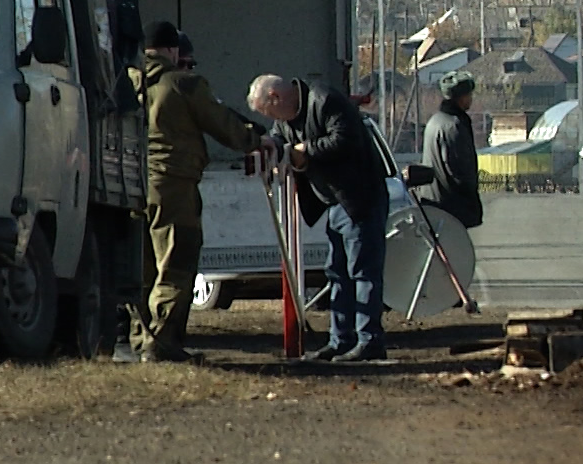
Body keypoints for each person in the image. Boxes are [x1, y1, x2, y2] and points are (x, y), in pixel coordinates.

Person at [130, 20, 269, 362]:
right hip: (173, 183)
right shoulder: (182, 84)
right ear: (171, 50)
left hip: (130, 184)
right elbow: (221, 123)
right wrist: (255, 139)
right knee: (175, 263)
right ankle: (163, 344)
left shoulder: (125, 82)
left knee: (140, 268)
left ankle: (139, 339)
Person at [248, 73, 390, 362]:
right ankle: (341, 340)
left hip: (359, 197)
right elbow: (281, 136)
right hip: (334, 201)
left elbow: (346, 140)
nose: (272, 118)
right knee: (338, 273)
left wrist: (305, 151)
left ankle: (369, 341)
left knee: (362, 272)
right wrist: (271, 147)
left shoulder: (325, 100)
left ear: (276, 97)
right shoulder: (289, 114)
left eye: (268, 111)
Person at [420, 70, 483, 229]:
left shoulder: (435, 121)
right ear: (460, 97)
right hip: (451, 204)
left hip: (433, 200)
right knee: (456, 250)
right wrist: (470, 198)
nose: (471, 99)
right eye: (468, 95)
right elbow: (459, 168)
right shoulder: (454, 125)